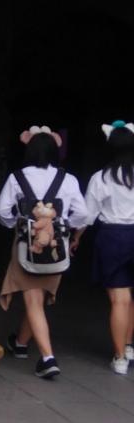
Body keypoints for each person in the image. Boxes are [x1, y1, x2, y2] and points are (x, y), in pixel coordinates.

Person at [0, 125, 88, 379]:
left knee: (33, 300)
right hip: (56, 249)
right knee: (38, 298)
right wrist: (65, 228)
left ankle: (48, 359)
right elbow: (82, 214)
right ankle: (20, 344)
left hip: (26, 246)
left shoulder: (17, 178)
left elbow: (2, 210)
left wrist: (16, 226)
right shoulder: (68, 180)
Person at [83, 122, 134, 375]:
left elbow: (87, 215)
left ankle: (120, 358)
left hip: (112, 238)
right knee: (131, 298)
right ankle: (129, 345)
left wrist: (75, 237)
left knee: (119, 299)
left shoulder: (100, 178)